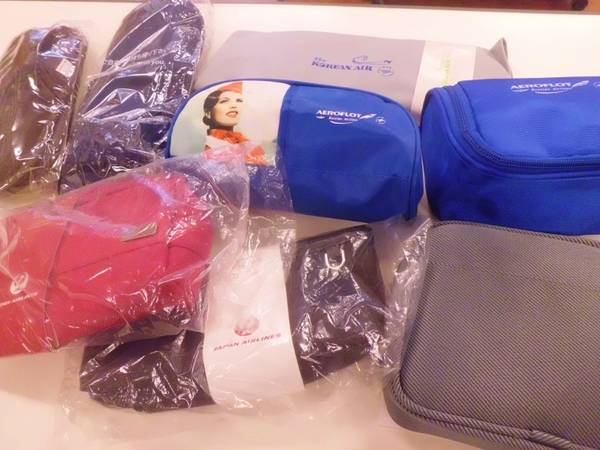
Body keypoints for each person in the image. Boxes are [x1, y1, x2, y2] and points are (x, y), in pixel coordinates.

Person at [202, 82, 267, 165]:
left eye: (239, 101)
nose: (234, 105)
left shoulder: (244, 141)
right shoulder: (213, 145)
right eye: (224, 101)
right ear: (208, 113)